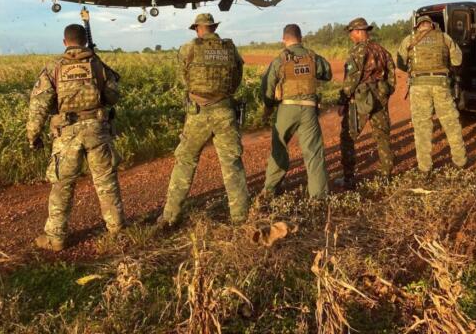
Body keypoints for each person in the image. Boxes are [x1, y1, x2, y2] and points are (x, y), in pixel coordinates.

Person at [27, 24, 125, 251]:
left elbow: (38, 105)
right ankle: (117, 229)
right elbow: (113, 96)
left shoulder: (54, 67)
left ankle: (56, 238)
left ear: (65, 42)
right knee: (106, 181)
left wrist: (33, 135)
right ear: (84, 41)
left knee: (62, 185)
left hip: (67, 133)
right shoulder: (97, 64)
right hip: (97, 130)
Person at [158, 13, 249, 227]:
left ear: (198, 29)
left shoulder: (188, 48)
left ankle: (170, 218)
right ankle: (240, 218)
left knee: (185, 162)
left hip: (198, 113)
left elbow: (184, 78)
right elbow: (236, 79)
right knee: (231, 162)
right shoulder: (229, 48)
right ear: (213, 27)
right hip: (225, 111)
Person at [260, 24, 332, 199]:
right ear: (301, 38)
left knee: (279, 148)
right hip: (308, 109)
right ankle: (319, 196)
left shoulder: (280, 60)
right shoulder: (313, 57)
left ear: (284, 39)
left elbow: (267, 87)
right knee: (313, 152)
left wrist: (268, 108)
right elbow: (327, 74)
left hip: (286, 108)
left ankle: (270, 190)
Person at [397, 15, 467, 173]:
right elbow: (457, 60)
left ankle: (425, 167)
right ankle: (460, 161)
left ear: (418, 26)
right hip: (441, 84)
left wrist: (412, 69)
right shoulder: (444, 37)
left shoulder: (409, 39)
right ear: (432, 25)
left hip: (419, 86)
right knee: (451, 124)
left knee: (422, 127)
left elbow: (400, 62)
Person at [336, 17, 396, 189]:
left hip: (359, 101)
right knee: (382, 135)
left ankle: (348, 179)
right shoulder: (382, 51)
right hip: (379, 99)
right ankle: (386, 175)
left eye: (351, 32)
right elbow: (392, 77)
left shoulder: (357, 52)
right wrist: (384, 93)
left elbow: (351, 79)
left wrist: (342, 101)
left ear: (358, 31)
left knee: (347, 137)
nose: (350, 36)